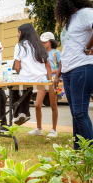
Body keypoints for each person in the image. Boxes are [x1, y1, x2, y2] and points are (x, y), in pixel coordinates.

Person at [53, 0, 93, 149]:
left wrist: (88, 47)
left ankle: (90, 155)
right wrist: (57, 75)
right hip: (68, 72)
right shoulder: (69, 21)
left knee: (80, 114)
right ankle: (78, 154)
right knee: (76, 115)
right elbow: (67, 51)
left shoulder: (86, 13)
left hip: (82, 67)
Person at [12, 23, 52, 126]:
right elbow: (48, 65)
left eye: (19, 32)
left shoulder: (19, 45)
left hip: (27, 78)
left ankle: (18, 113)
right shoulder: (40, 45)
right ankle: (24, 113)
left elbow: (17, 67)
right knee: (27, 90)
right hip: (42, 79)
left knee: (13, 89)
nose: (17, 35)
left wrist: (22, 74)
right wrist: (49, 80)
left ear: (23, 33)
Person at [28, 32, 60, 138]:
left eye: (44, 41)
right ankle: (39, 128)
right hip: (42, 81)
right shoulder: (40, 53)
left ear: (50, 42)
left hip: (52, 81)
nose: (42, 43)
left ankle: (54, 130)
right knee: (37, 105)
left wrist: (50, 72)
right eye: (41, 41)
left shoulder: (56, 53)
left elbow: (61, 67)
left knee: (53, 105)